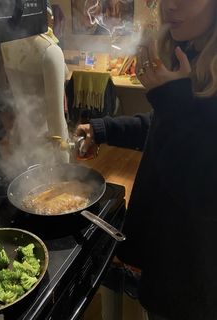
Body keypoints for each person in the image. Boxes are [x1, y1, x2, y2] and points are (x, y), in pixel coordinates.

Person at [76, 0, 217, 319]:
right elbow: (161, 126)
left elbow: (199, 187)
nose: (171, 5)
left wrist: (172, 101)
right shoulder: (195, 52)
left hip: (196, 275)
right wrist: (103, 128)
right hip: (170, 252)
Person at [0, 4, 69, 176]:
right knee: (49, 199)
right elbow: (56, 120)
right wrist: (65, 163)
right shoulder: (50, 51)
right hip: (47, 148)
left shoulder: (6, 44)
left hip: (20, 140)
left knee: (26, 194)